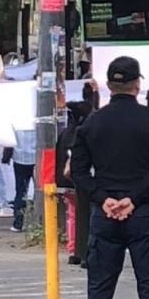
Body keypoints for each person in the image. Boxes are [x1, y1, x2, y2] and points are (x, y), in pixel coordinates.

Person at [70, 56, 149, 299]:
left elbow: (78, 172)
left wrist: (102, 198)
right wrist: (134, 199)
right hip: (144, 212)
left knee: (100, 284)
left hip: (105, 213)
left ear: (108, 85)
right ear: (138, 84)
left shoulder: (92, 123)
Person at [56, 100, 92, 263]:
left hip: (66, 181)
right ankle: (85, 250)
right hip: (82, 180)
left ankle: (74, 247)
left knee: (72, 215)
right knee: (86, 215)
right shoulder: (84, 132)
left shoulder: (65, 133)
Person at [5, 127, 36, 232]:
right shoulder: (39, 117)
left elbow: (9, 139)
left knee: (20, 192)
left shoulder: (17, 121)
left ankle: (18, 223)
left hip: (19, 159)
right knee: (41, 190)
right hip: (38, 158)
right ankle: (40, 221)